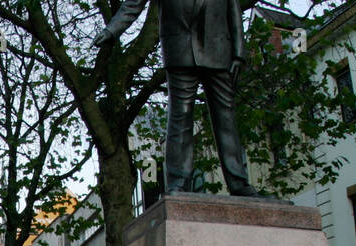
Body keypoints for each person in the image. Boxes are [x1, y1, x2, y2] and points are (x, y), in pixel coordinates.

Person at [94, 0, 258, 198]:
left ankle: (239, 183)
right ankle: (178, 183)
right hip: (180, 49)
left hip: (219, 49)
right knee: (180, 118)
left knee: (226, 119)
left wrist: (239, 53)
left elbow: (233, 8)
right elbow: (133, 4)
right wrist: (112, 30)